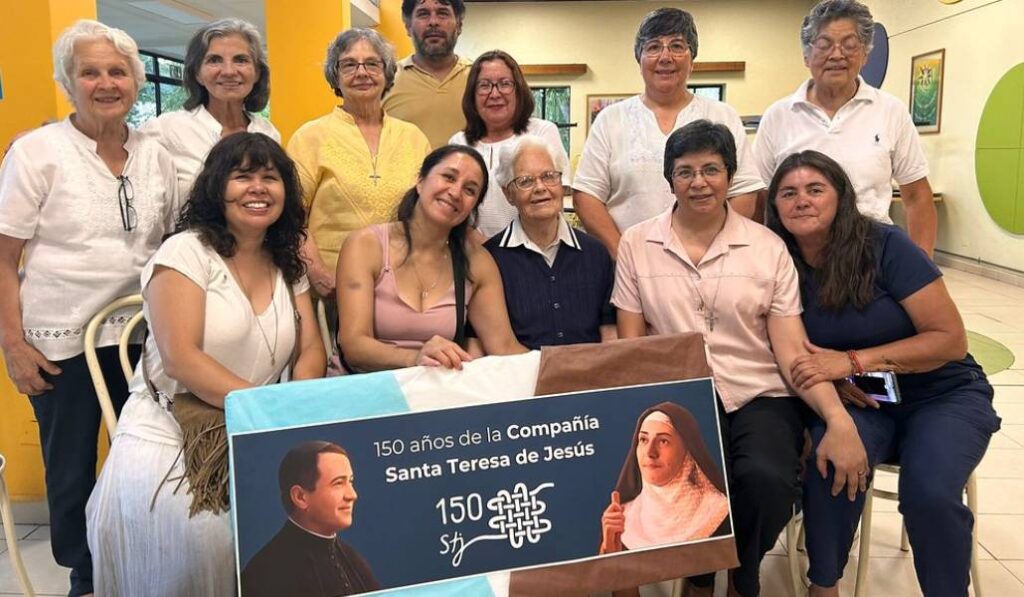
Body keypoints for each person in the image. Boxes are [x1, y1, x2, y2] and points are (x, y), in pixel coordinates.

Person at [612, 120, 866, 596]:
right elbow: (634, 344)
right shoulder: (637, 243)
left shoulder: (767, 247)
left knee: (767, 481)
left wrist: (836, 417)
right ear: (669, 179)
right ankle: (702, 576)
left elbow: (791, 348)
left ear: (730, 176)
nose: (699, 182)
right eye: (685, 172)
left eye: (711, 169)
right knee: (700, 482)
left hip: (759, 390)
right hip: (680, 395)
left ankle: (739, 577)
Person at [86, 133, 326, 596]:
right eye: (242, 177)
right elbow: (181, 359)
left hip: (254, 425)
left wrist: (292, 404)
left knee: (311, 529)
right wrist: (264, 412)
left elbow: (310, 347)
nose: (257, 188)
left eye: (270, 178)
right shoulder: (185, 252)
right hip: (173, 429)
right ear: (217, 188)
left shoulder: (287, 259)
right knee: (210, 541)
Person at [766, 150, 1000, 597]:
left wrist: (851, 362)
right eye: (788, 193)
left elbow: (950, 340)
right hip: (860, 399)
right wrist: (833, 382)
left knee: (928, 493)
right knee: (830, 462)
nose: (802, 201)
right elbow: (788, 348)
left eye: (816, 189)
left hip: (941, 393)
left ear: (841, 197)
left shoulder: (885, 246)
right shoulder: (778, 262)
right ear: (773, 206)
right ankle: (824, 585)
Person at [0, 20, 178, 596]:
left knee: (147, 463)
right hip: (62, 342)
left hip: (146, 339)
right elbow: (3, 257)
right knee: (73, 469)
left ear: (134, 80)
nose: (107, 82)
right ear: (68, 81)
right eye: (91, 71)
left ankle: (147, 563)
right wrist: (13, 345)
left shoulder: (156, 151)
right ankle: (89, 577)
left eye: (118, 70)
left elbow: (174, 237)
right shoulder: (37, 152)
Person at [573, 7, 763, 259]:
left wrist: (710, 251)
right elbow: (587, 196)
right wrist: (623, 255)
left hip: (710, 264)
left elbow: (744, 192)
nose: (665, 57)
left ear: (692, 59)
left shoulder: (722, 116)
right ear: (639, 60)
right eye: (653, 47)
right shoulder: (611, 119)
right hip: (629, 266)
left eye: (676, 46)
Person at [754, 0, 936, 255]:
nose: (837, 55)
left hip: (871, 253)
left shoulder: (891, 111)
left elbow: (917, 196)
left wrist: (921, 265)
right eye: (824, 45)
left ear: (865, 54)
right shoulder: (778, 116)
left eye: (849, 45)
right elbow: (760, 200)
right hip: (797, 256)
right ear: (806, 55)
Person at [336, 144, 526, 371]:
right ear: (420, 181)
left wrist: (562, 369)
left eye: (469, 190)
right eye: (448, 177)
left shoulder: (477, 262)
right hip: (365, 389)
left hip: (435, 392)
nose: (455, 192)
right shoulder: (366, 245)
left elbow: (504, 347)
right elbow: (354, 346)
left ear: (473, 207)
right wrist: (416, 358)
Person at [289, 27, 430, 301]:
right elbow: (291, 219)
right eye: (349, 64)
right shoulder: (309, 137)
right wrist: (316, 272)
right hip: (332, 288)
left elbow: (428, 213)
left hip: (402, 287)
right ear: (335, 75)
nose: (361, 72)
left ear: (386, 72)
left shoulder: (413, 137)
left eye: (372, 64)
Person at [485, 135, 614, 349]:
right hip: (520, 378)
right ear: (508, 194)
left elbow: (610, 333)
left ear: (562, 185)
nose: (540, 188)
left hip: (590, 377)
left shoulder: (596, 253)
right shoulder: (490, 259)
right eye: (525, 181)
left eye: (549, 176)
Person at [142, 18, 279, 200]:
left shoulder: (267, 132)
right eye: (214, 60)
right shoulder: (165, 130)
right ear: (197, 73)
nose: (229, 71)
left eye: (241, 60)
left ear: (257, 73)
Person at [450, 50, 571, 238]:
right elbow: (455, 208)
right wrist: (481, 250)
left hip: (530, 251)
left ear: (519, 90)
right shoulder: (459, 143)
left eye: (504, 84)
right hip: (475, 253)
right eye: (484, 86)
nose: (495, 93)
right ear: (472, 94)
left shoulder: (542, 132)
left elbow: (553, 204)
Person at [241, 441, 380, 597]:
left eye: (350, 481)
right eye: (338, 483)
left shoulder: (354, 561)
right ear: (300, 497)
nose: (352, 495)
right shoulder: (265, 574)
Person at [600, 402, 729, 553]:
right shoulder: (621, 519)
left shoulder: (717, 511)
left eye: (663, 441)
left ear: (687, 452)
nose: (650, 452)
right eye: (643, 440)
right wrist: (608, 549)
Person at [383, 0, 472, 149]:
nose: (433, 22)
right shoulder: (385, 80)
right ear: (408, 26)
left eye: (442, 13)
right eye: (423, 14)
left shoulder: (480, 79)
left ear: (459, 25)